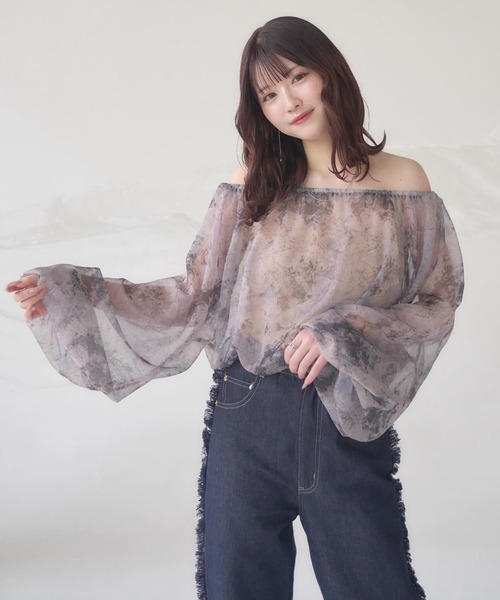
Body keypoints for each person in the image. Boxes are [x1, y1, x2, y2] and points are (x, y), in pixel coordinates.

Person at [6, 15, 463, 600]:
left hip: (344, 418)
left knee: (374, 586)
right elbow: (195, 293)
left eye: (297, 77)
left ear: (330, 72)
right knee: (235, 589)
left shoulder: (402, 180)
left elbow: (435, 302)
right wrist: (72, 293)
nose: (288, 102)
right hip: (247, 410)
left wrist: (341, 332)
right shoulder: (253, 181)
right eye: (268, 94)